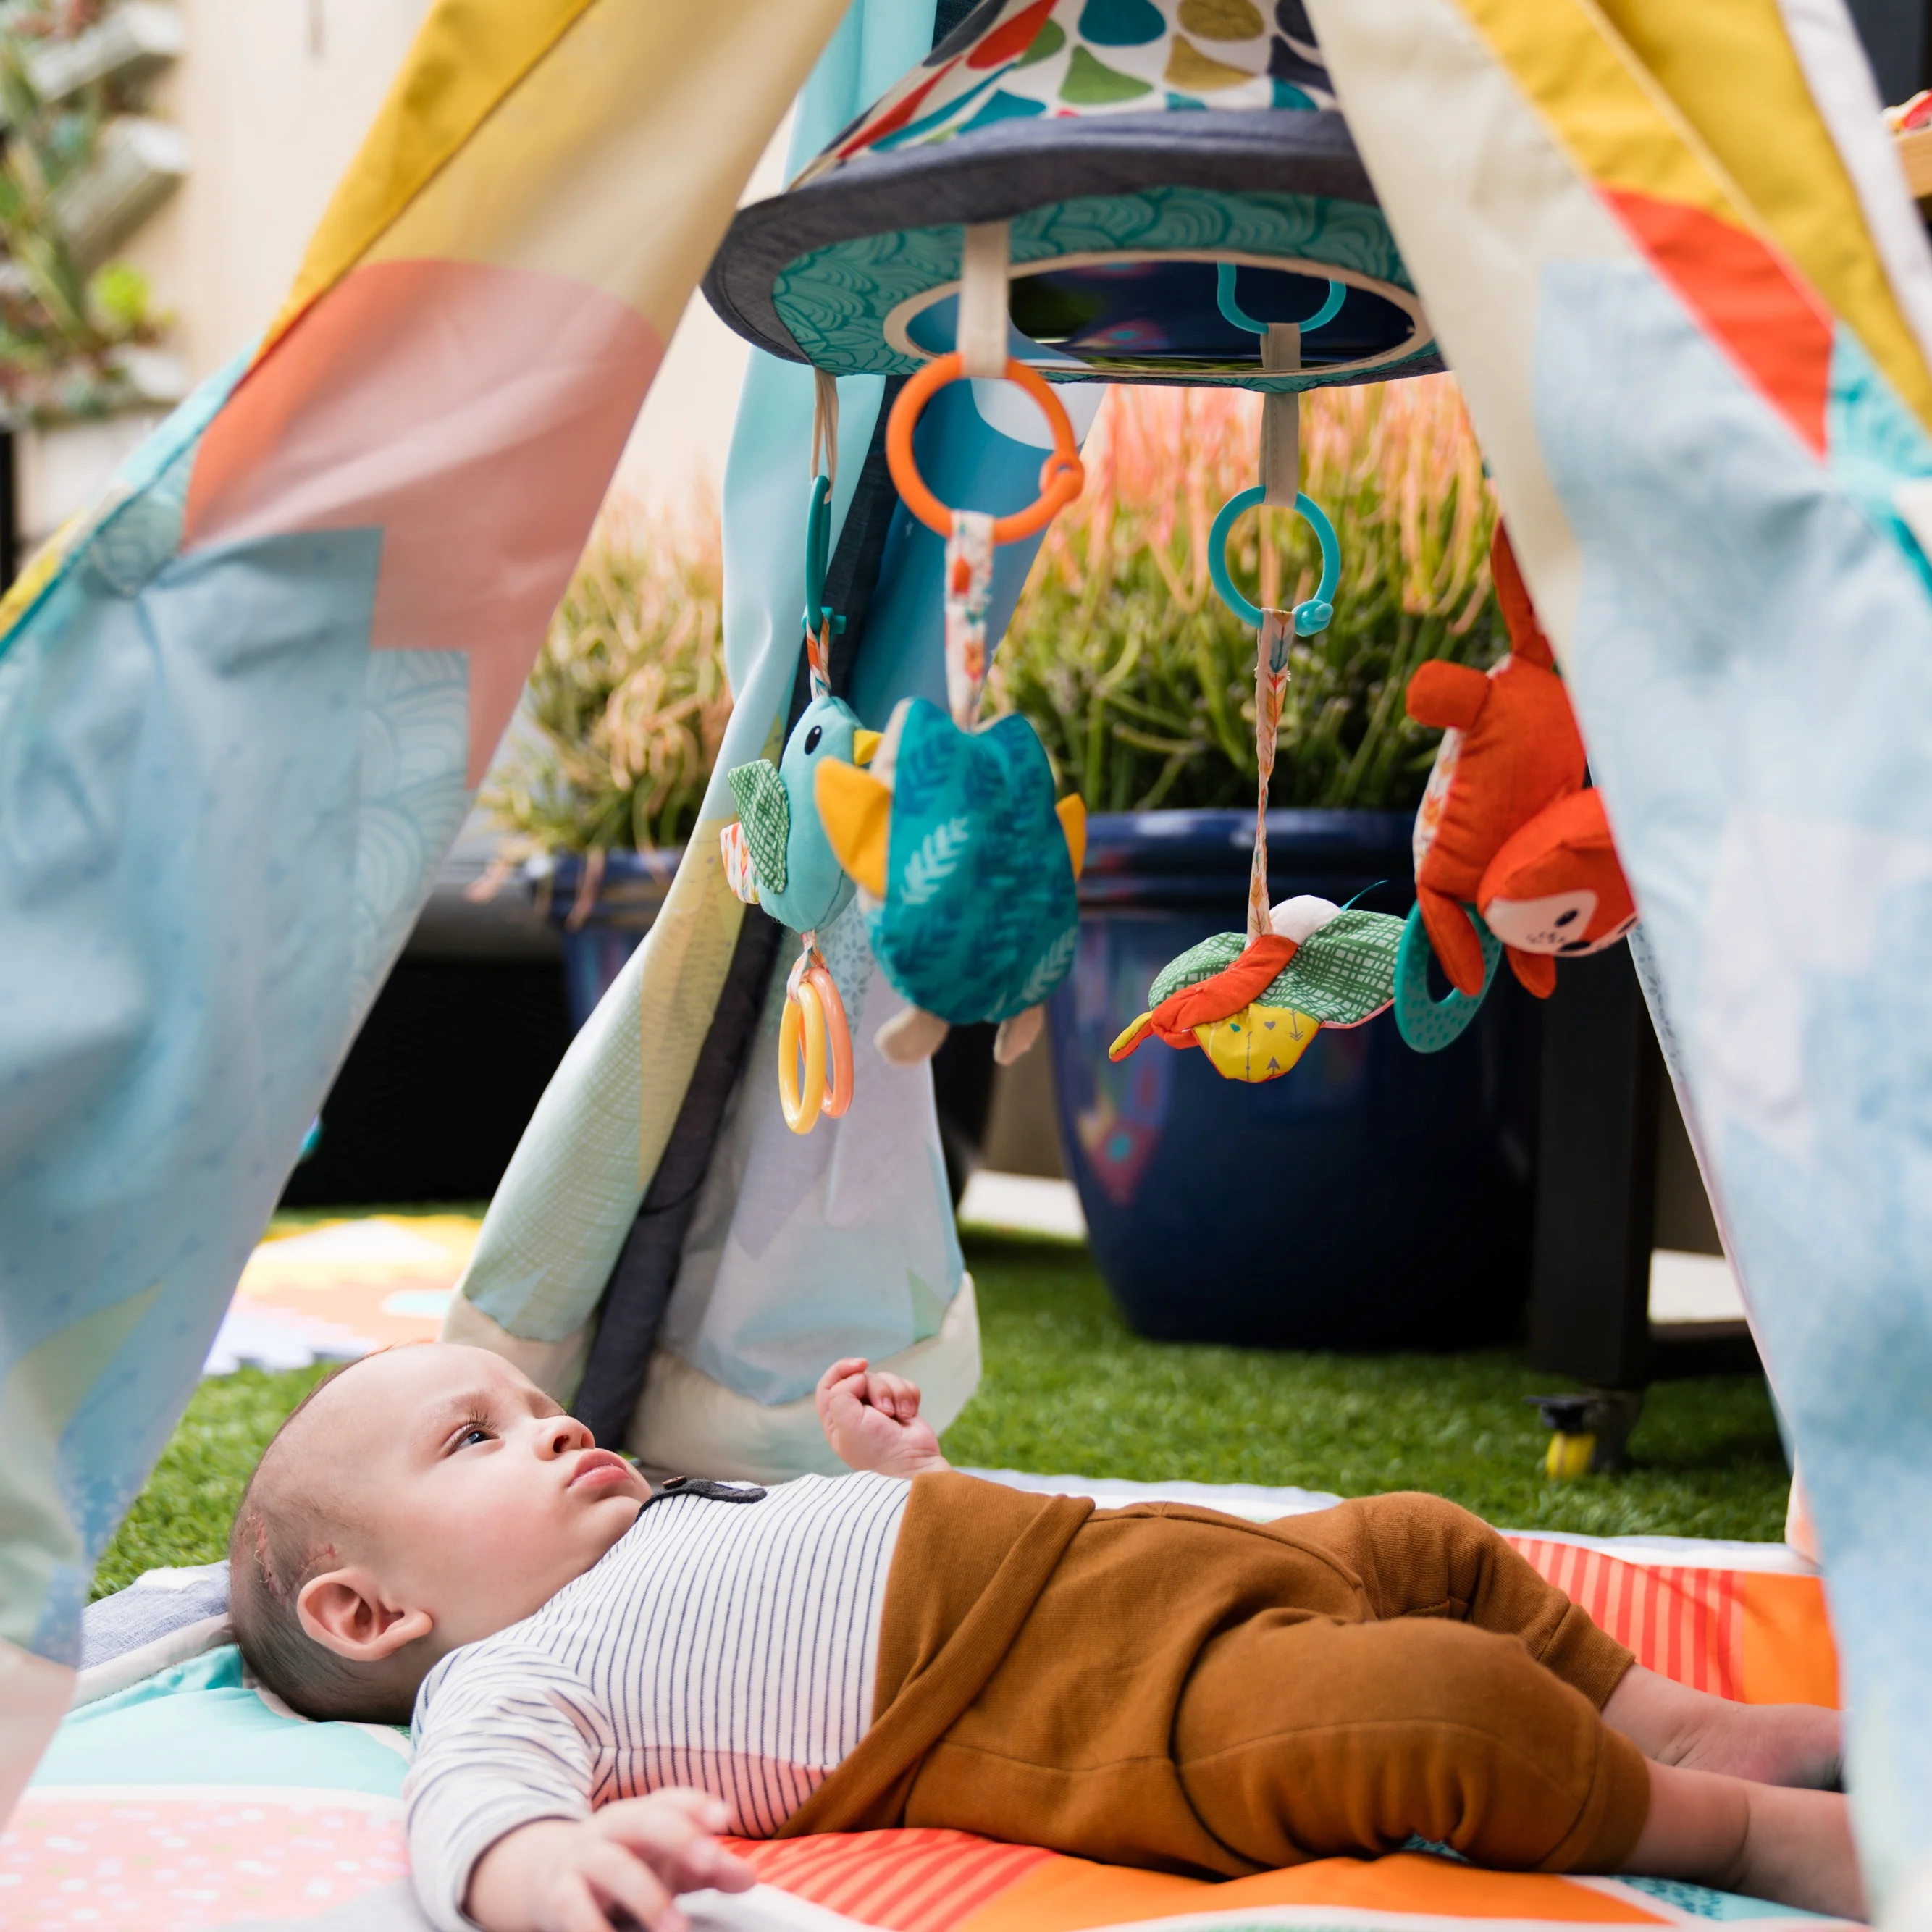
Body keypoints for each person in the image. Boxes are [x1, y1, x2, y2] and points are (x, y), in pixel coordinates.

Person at [226, 1344, 1860, 1932]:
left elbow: (858, 1556)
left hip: (1125, 1566)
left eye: (533, 1403)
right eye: (475, 1440)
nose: (551, 1423)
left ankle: (1688, 1721)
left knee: (1423, 1537)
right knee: (1432, 1704)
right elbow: (470, 1807)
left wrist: (899, 1475)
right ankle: (1751, 1831)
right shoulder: (510, 1668)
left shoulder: (669, 1514)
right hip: (1097, 1707)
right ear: (371, 1612)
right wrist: (545, 1874)